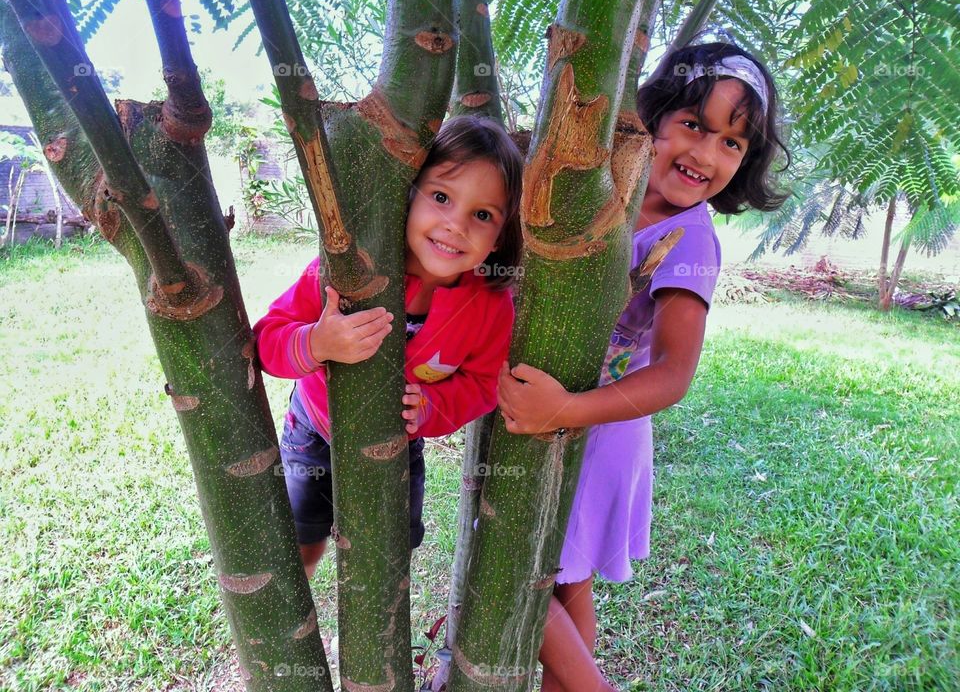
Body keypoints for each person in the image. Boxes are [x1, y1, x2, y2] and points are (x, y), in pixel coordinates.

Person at [496, 42, 790, 691]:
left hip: (595, 433)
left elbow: (673, 373)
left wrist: (567, 410)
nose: (706, 156)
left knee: (521, 573)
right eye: (694, 125)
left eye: (732, 144)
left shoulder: (688, 239)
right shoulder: (595, 196)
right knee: (567, 586)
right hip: (541, 417)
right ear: (648, 120)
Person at [254, 115, 523, 579]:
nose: (454, 225)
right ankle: (300, 635)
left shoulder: (490, 305)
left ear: (501, 236)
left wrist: (431, 407)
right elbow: (267, 339)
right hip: (315, 430)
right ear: (408, 194)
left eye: (483, 215)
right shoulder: (350, 269)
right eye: (440, 197)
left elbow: (482, 384)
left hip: (397, 446)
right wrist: (316, 342)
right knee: (302, 542)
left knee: (386, 557)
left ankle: (368, 638)